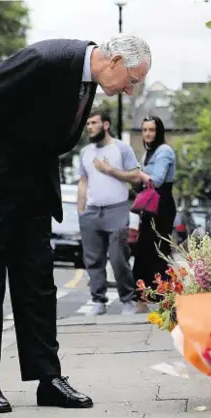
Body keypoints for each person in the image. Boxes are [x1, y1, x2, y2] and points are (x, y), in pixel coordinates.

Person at [0, 35, 151, 413]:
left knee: (39, 286)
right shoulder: (45, 59)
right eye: (131, 80)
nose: (130, 91)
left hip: (32, 193)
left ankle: (48, 380)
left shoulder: (86, 80)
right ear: (113, 60)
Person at [78, 111, 141, 315]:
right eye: (87, 123)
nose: (89, 127)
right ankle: (98, 301)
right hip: (92, 213)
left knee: (118, 258)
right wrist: (81, 210)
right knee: (93, 260)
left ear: (106, 125)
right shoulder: (85, 152)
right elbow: (84, 181)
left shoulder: (122, 148)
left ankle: (127, 300)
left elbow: (136, 176)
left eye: (94, 123)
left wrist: (110, 171)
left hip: (117, 210)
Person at [132, 116, 176, 292]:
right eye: (145, 130)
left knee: (159, 250)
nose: (147, 134)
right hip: (151, 206)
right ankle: (146, 293)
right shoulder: (148, 153)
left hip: (162, 205)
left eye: (151, 130)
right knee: (144, 249)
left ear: (159, 132)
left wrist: (138, 173)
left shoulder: (164, 151)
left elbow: (156, 181)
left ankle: (160, 294)